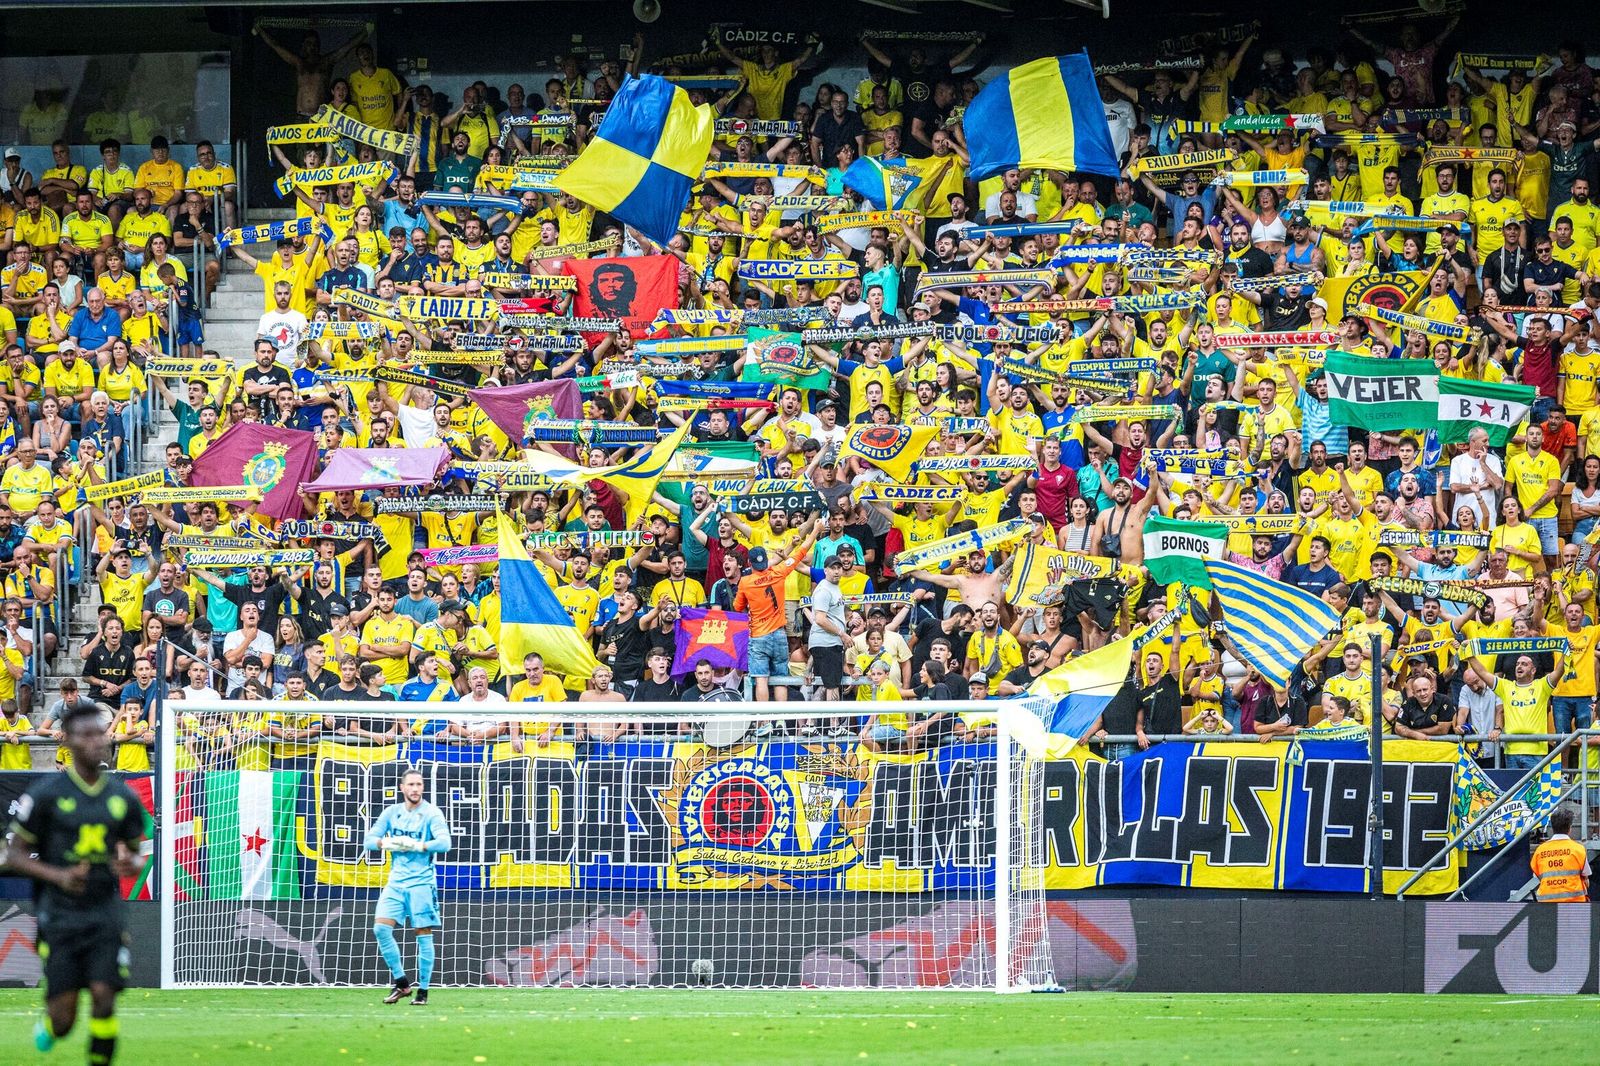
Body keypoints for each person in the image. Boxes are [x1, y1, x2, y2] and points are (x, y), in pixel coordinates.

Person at [5, 703, 147, 1062]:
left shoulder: (122, 797)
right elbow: (15, 855)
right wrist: (60, 876)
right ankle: (52, 1025)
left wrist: (128, 863)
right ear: (67, 741)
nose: (97, 741)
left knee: (104, 995)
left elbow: (135, 854)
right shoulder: (45, 794)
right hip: (59, 915)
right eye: (87, 735)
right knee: (65, 1019)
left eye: (100, 733)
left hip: (105, 913)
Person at [363, 767, 451, 1006]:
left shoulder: (432, 813)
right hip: (396, 882)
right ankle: (402, 984)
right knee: (381, 929)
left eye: (419, 785)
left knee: (423, 935)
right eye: (411, 785)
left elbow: (445, 843)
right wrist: (390, 842)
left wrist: (418, 846)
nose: (415, 789)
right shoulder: (392, 812)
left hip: (422, 883)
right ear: (402, 788)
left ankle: (423, 992)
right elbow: (369, 841)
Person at [1530, 806, 1591, 903]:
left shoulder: (1540, 850)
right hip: (1575, 904)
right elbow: (1586, 879)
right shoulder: (1578, 849)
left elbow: (1537, 877)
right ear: (1570, 828)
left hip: (1545, 904)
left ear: (1552, 827)